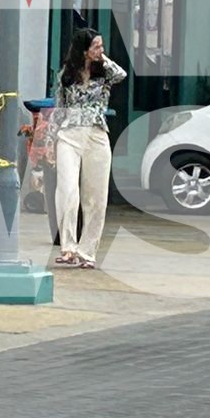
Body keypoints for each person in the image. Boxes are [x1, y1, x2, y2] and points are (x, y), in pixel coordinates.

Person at [45, 28, 127, 271]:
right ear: (83, 50)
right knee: (67, 190)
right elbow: (58, 109)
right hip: (69, 133)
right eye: (96, 46)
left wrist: (102, 59)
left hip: (96, 133)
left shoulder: (105, 73)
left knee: (95, 196)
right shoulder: (66, 75)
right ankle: (68, 247)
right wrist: (49, 143)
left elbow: (121, 74)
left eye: (101, 46)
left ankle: (87, 252)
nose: (100, 50)